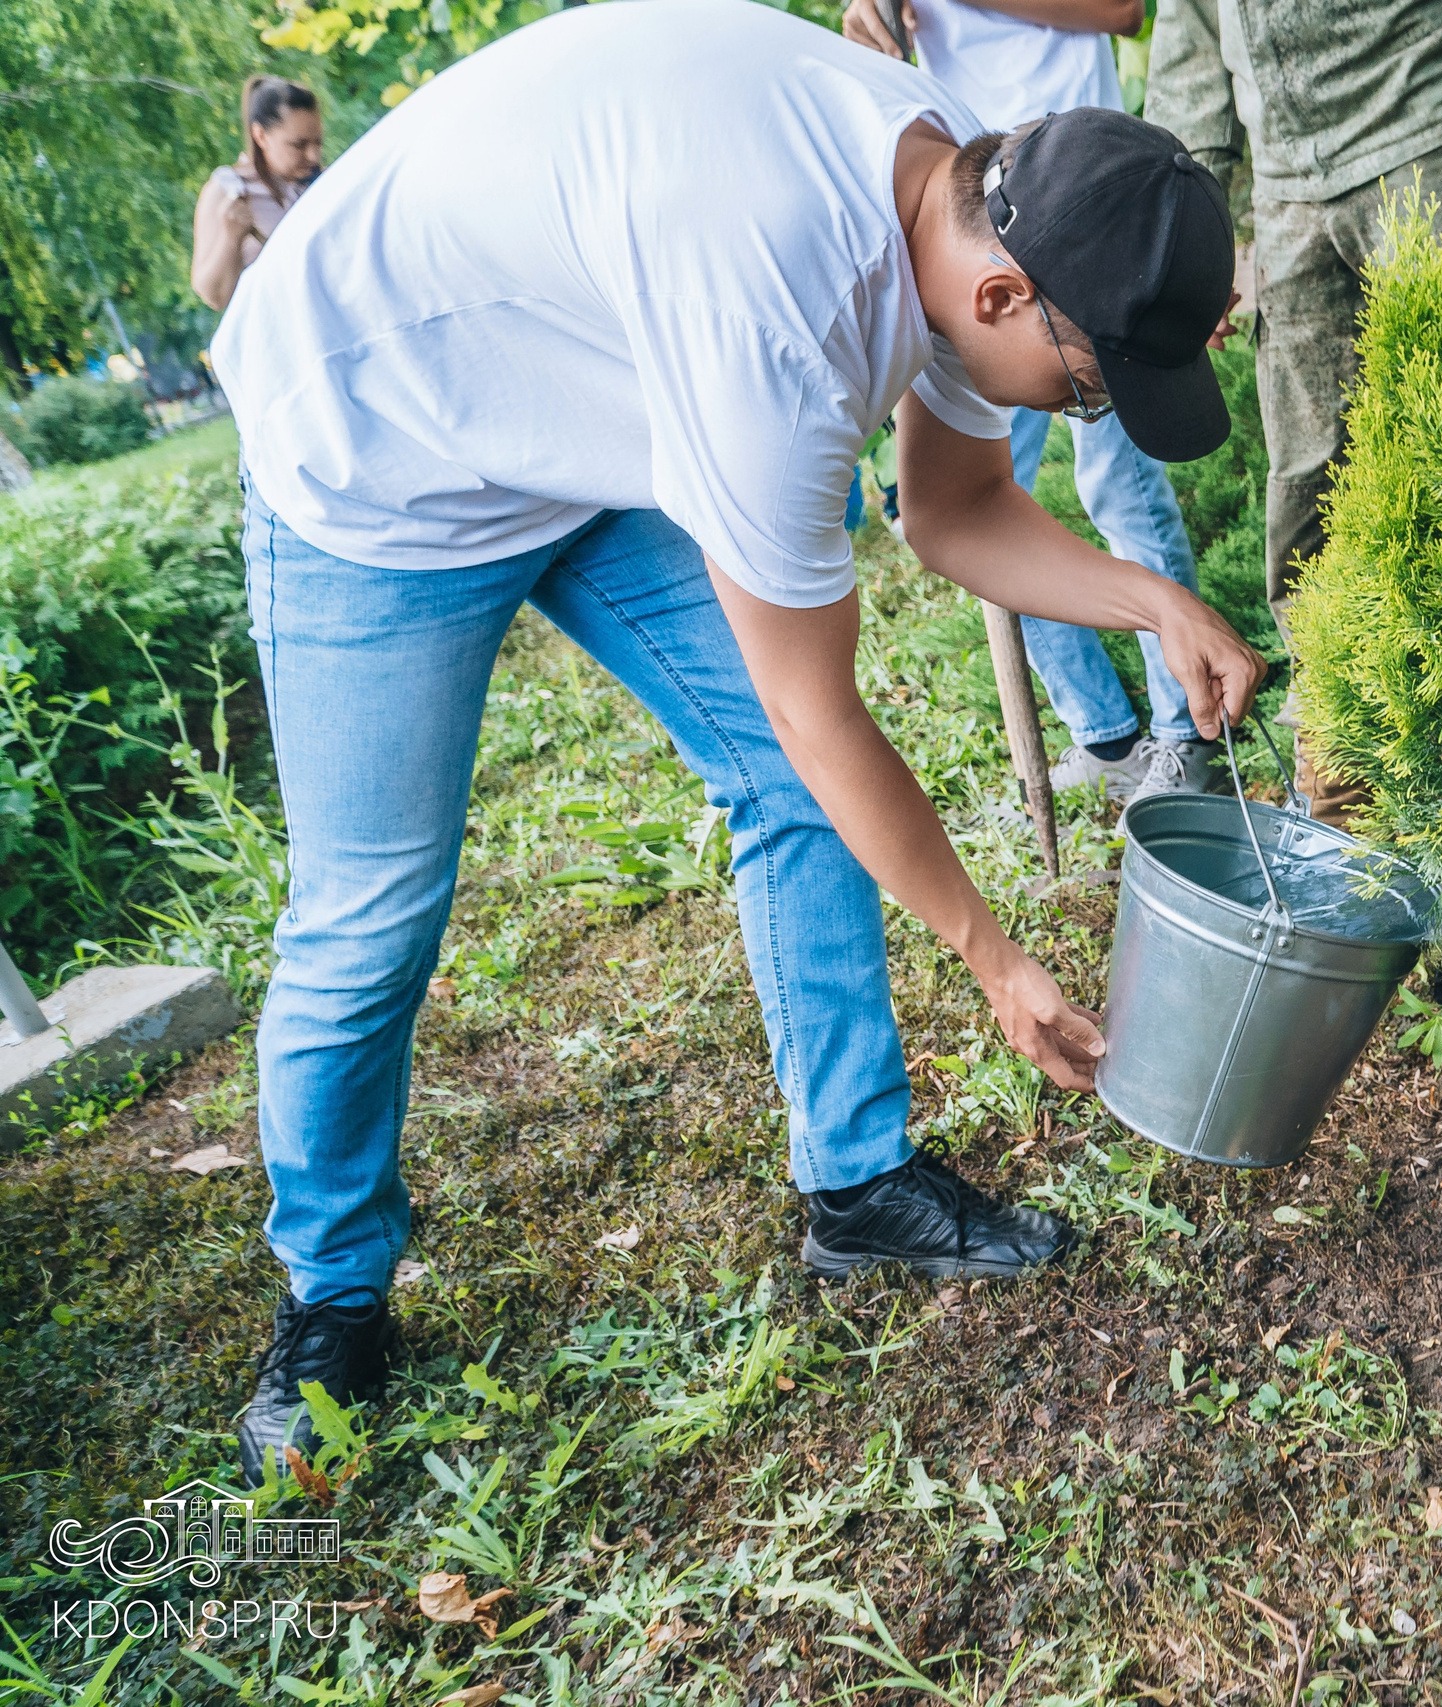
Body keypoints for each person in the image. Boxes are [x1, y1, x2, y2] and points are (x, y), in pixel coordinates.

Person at [211, 0, 1259, 1482]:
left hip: (596, 400)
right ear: (1012, 295)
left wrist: (1150, 598)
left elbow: (951, 512)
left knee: (785, 792)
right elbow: (816, 706)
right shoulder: (774, 315)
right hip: (378, 446)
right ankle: (331, 1294)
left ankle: (858, 1178)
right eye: (1090, 386)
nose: (1087, 409)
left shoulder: (960, 198)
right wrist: (994, 957)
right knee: (372, 908)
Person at [1146, 0, 1442, 822]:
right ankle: (1356, 853)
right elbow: (1190, 21)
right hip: (1291, 190)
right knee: (1314, 519)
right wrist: (1188, 217)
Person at [846, 0, 1219, 808]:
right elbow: (960, 515)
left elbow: (1125, 9)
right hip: (959, 219)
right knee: (992, 501)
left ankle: (1184, 732)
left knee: (1119, 483)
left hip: (1087, 219)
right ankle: (1105, 735)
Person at [191, 76, 325, 312]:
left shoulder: (321, 183)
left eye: (318, 143)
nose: (313, 156)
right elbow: (214, 297)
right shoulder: (228, 192)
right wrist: (231, 239)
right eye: (298, 145)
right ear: (261, 136)